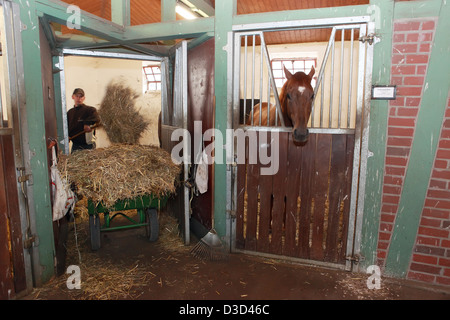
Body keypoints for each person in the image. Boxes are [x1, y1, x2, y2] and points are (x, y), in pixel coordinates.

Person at [67, 88, 100, 153]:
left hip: (88, 146)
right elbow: (67, 126)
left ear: (84, 98)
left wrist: (87, 123)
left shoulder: (90, 110)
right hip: (75, 146)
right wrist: (67, 135)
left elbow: (96, 117)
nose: (79, 98)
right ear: (73, 97)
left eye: (81, 96)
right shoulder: (70, 113)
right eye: (77, 96)